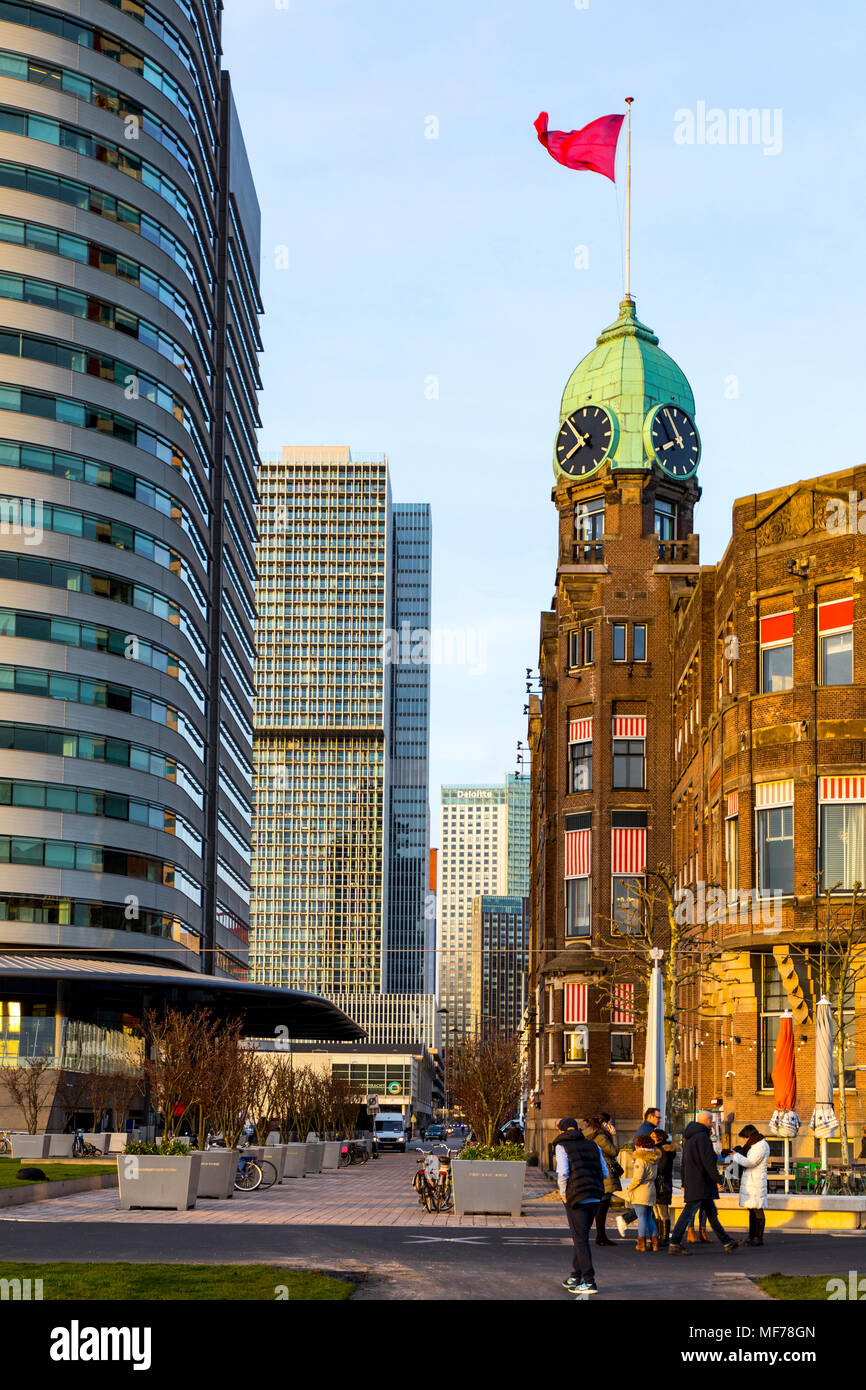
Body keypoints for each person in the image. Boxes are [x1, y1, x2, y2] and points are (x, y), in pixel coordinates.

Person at [669, 1111, 739, 1256]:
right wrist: (718, 1179)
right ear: (707, 1121)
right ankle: (675, 1242)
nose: (712, 1123)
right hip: (702, 1182)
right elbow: (708, 1162)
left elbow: (685, 1162)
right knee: (689, 1212)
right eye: (711, 1120)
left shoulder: (689, 1138)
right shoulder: (702, 1138)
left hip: (694, 1181)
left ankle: (727, 1241)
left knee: (711, 1213)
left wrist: (684, 1180)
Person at [554, 1117, 607, 1296]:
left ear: (562, 1131)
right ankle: (575, 1276)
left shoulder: (562, 1146)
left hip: (576, 1197)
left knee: (579, 1238)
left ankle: (589, 1280)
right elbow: (605, 1171)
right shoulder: (593, 1145)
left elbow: (563, 1172)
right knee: (582, 1236)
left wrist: (563, 1193)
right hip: (595, 1195)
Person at [581, 1115, 622, 1246]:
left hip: (596, 1170)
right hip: (605, 1172)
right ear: (605, 1123)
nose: (611, 1125)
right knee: (602, 1207)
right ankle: (600, 1237)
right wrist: (614, 1135)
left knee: (601, 1206)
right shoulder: (601, 1137)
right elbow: (614, 1151)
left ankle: (601, 1236)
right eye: (610, 1122)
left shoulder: (591, 1135)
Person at [727, 1124, 770, 1246]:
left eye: (745, 1138)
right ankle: (752, 1236)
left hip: (755, 1182)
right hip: (751, 1181)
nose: (745, 1140)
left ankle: (758, 1237)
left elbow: (750, 1162)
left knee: (757, 1209)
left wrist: (735, 1155)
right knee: (752, 1209)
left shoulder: (760, 1146)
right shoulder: (755, 1145)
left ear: (750, 1136)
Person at [626, 1134, 661, 1251]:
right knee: (649, 1217)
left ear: (640, 1146)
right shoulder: (653, 1159)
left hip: (641, 1191)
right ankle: (655, 1243)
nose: (635, 1146)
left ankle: (641, 1243)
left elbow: (638, 1178)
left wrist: (630, 1188)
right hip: (651, 1189)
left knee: (641, 1217)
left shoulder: (640, 1160)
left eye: (636, 1144)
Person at [652, 1127, 677, 1248]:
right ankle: (660, 1235)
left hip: (661, 1184)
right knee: (657, 1211)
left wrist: (653, 1172)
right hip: (663, 1183)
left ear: (659, 1138)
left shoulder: (662, 1150)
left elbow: (662, 1166)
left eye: (653, 1137)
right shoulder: (665, 1149)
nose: (651, 1139)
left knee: (662, 1211)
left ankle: (665, 1237)